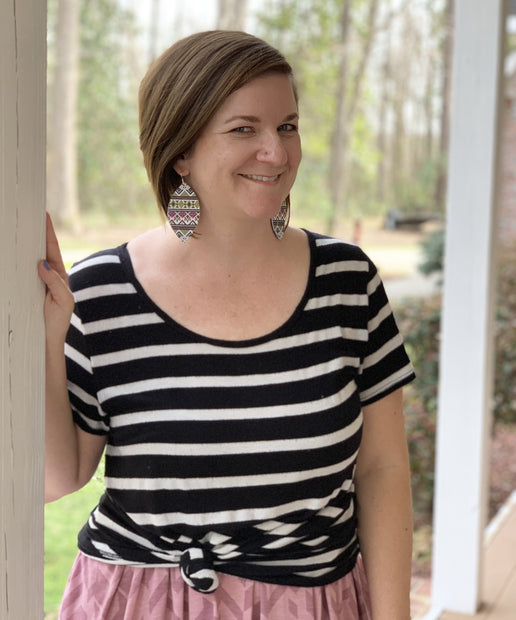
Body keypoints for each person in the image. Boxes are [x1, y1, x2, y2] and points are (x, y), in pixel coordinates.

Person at [39, 30, 415, 620]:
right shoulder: (99, 293)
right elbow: (55, 478)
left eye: (287, 126)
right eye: (245, 129)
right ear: (181, 151)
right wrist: (48, 339)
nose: (278, 151)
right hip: (137, 600)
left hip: (311, 603)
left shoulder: (347, 281)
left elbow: (383, 469)